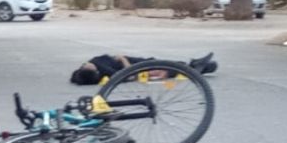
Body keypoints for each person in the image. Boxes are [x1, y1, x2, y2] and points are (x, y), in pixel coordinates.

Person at [69, 52, 217, 85]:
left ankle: (195, 64)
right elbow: (128, 75)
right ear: (93, 71)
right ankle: (197, 69)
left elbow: (75, 78)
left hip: (129, 60)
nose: (85, 64)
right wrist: (123, 59)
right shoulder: (105, 71)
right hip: (131, 65)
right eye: (86, 66)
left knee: (157, 61)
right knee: (161, 67)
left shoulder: (80, 74)